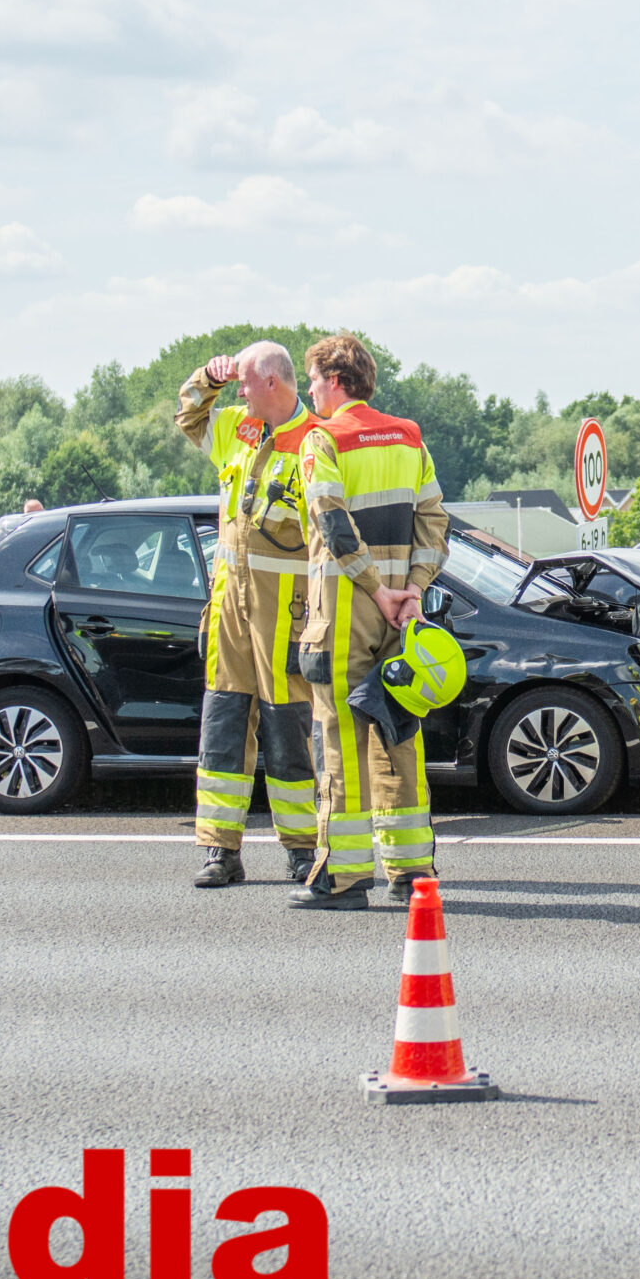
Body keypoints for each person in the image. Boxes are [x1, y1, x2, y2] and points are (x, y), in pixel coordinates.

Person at [292, 334, 451, 909]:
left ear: (335, 380)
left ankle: (342, 876)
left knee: (340, 736)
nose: (310, 391)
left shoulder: (323, 439)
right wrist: (413, 590)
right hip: (401, 612)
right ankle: (411, 871)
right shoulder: (409, 438)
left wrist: (376, 589)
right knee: (399, 731)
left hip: (347, 607)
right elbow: (434, 520)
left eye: (314, 380)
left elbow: (332, 523)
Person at [175, 343, 320, 888]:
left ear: (273, 383)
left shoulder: (314, 442)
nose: (238, 392)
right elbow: (188, 414)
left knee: (288, 732)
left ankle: (302, 850)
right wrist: (208, 378)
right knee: (223, 727)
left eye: (244, 382)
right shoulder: (240, 427)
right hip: (230, 612)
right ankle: (220, 849)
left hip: (286, 615)